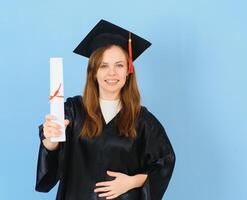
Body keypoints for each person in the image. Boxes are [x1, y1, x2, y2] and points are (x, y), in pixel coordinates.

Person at [35, 19, 176, 200]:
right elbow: (51, 162)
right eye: (104, 66)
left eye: (119, 65)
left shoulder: (143, 120)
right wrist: (50, 141)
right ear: (93, 72)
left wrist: (132, 182)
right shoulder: (73, 111)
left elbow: (165, 163)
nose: (112, 73)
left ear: (128, 70)